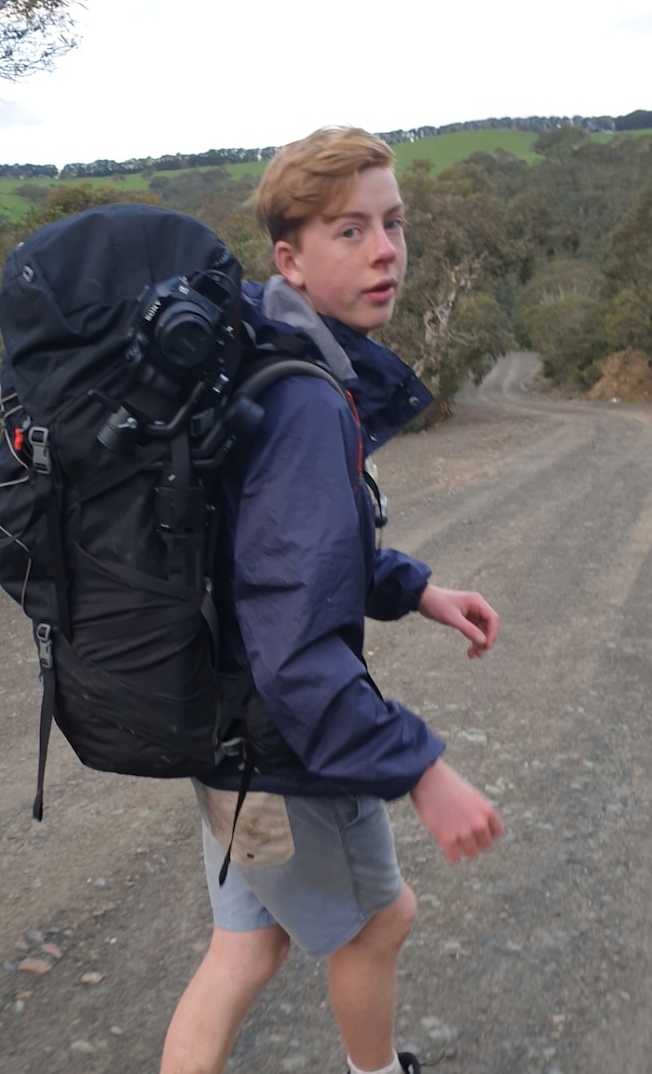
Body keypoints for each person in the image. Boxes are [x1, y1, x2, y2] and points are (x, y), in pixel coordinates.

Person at [159, 127, 505, 1074]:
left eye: (392, 223)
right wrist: (424, 770)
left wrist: (417, 586)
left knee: (246, 946)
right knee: (380, 922)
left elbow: (277, 556)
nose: (386, 248)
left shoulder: (262, 363)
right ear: (291, 259)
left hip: (219, 727)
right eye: (348, 230)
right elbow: (299, 642)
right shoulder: (306, 400)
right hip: (285, 747)